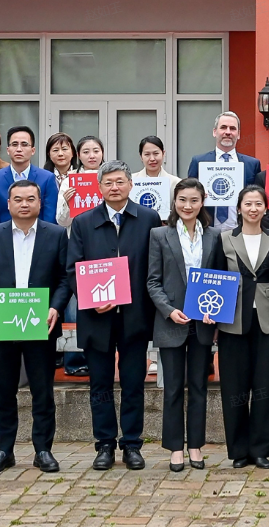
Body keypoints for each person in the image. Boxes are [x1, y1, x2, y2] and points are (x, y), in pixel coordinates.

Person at [68, 160, 162, 471]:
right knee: (100, 384)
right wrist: (90, 299)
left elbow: (155, 265)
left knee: (133, 383)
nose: (114, 187)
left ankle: (132, 444)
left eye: (120, 181)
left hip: (135, 316)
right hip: (97, 318)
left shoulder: (148, 219)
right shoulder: (83, 222)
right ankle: (104, 444)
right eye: (108, 182)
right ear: (99, 187)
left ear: (131, 184)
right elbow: (72, 269)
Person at [0, 180, 70, 475]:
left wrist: (55, 307)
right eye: (18, 199)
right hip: (2, 323)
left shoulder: (56, 234)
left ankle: (43, 450)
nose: (24, 204)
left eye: (30, 198)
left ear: (40, 203)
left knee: (43, 390)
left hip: (41, 323)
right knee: (4, 390)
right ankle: (4, 450)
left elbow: (65, 278)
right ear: (8, 204)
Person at [211, 185, 269, 468]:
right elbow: (215, 278)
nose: (253, 209)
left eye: (258, 204)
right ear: (239, 208)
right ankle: (239, 451)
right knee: (234, 386)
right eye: (248, 204)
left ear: (265, 208)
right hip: (232, 319)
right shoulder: (224, 238)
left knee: (266, 385)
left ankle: (261, 449)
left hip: (268, 319)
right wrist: (214, 318)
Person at [145, 177, 219, 472]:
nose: (188, 206)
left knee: (199, 386)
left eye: (194, 200)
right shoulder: (159, 235)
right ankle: (175, 448)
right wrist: (168, 310)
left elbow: (219, 279)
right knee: (173, 387)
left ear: (202, 203)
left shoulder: (214, 236)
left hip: (203, 321)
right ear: (174, 202)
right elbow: (153, 281)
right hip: (172, 321)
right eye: (182, 200)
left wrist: (216, 309)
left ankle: (196, 446)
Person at [61, 135, 106, 378]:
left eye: (96, 150)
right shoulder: (69, 180)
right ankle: (74, 360)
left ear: (102, 153)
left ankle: (98, 357)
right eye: (86, 151)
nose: (91, 155)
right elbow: (61, 221)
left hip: (105, 248)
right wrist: (68, 203)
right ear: (78, 155)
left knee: (103, 300)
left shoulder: (110, 178)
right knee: (75, 304)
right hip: (78, 247)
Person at [185, 111, 261, 231]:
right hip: (206, 229)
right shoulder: (198, 161)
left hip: (241, 230)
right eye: (223, 127)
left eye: (232, 128)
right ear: (215, 132)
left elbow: (258, 198)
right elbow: (189, 194)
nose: (228, 132)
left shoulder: (252, 164)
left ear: (238, 134)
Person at [0, 127, 59, 228]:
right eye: (14, 144)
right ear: (8, 150)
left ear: (33, 150)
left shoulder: (47, 178)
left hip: (38, 235)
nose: (19, 149)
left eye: (24, 144)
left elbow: (50, 219)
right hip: (4, 236)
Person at [132, 136, 182, 220]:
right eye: (147, 154)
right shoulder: (131, 181)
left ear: (163, 154)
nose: (152, 159)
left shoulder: (176, 183)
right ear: (141, 156)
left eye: (156, 154)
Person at [43, 132, 77, 225]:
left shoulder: (81, 176)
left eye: (64, 149)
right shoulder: (43, 178)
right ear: (49, 154)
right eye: (55, 150)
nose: (60, 154)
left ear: (73, 152)